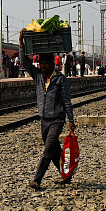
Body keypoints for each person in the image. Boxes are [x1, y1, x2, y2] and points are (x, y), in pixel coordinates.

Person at [19, 31, 76, 190]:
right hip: (44, 120)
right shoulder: (37, 76)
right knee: (54, 152)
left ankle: (37, 180)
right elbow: (25, 63)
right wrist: (21, 44)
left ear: (53, 63)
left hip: (57, 120)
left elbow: (66, 101)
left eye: (45, 63)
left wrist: (71, 120)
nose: (42, 66)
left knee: (47, 150)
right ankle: (67, 176)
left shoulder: (60, 79)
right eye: (41, 63)